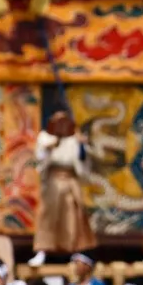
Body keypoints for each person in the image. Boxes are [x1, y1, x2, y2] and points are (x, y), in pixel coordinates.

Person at [33, 108, 95, 261]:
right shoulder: (45, 137)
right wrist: (53, 143)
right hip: (53, 181)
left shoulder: (74, 138)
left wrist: (81, 146)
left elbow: (82, 160)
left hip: (70, 180)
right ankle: (43, 250)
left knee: (73, 215)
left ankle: (75, 250)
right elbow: (40, 158)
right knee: (48, 216)